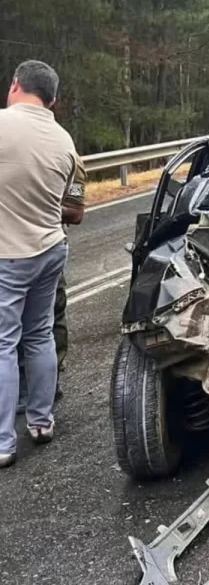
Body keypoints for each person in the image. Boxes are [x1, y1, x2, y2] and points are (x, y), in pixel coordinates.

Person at [0, 60, 77, 469]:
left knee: (3, 344)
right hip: (50, 248)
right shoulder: (64, 140)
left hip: (8, 252)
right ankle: (42, 422)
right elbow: (71, 200)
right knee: (39, 334)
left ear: (15, 85)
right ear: (52, 99)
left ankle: (2, 442)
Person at [16, 154, 86, 414]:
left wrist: (30, 208)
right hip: (10, 251)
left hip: (47, 248)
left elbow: (76, 212)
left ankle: (48, 381)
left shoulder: (67, 156)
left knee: (50, 318)